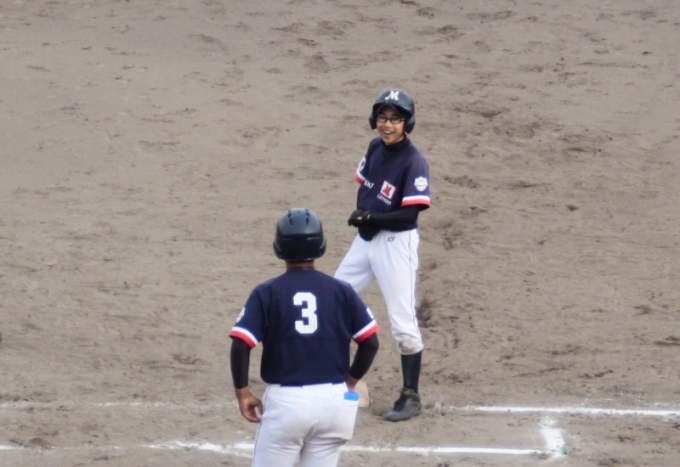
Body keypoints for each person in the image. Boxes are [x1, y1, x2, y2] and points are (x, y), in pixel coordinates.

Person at [229, 208, 380, 467]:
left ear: (278, 247)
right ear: (321, 245)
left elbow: (241, 344)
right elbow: (370, 342)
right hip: (335, 404)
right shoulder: (342, 291)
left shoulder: (267, 292)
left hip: (288, 405)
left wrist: (242, 394)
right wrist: (350, 382)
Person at [334, 88, 431, 422]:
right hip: (367, 241)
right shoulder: (375, 147)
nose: (387, 125)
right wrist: (366, 218)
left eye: (395, 119)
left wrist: (370, 217)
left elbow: (410, 215)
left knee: (403, 324)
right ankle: (347, 380)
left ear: (407, 123)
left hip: (396, 245)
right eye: (383, 117)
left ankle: (411, 395)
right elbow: (365, 187)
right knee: (335, 299)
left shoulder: (414, 162)